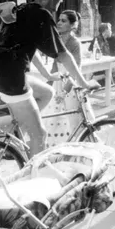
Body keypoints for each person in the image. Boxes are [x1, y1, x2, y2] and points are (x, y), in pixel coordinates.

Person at [0, 0, 98, 156]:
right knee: (40, 135)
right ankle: (32, 177)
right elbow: (64, 56)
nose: (62, 0)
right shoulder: (42, 16)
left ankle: (17, 130)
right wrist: (84, 83)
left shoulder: (24, 9)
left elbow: (32, 50)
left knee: (47, 92)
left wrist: (47, 75)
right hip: (11, 81)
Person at [45, 10, 84, 146]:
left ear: (73, 25)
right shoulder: (57, 40)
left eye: (64, 21)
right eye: (59, 20)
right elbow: (55, 67)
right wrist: (49, 84)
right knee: (53, 121)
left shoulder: (75, 43)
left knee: (72, 122)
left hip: (70, 86)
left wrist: (65, 91)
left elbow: (75, 70)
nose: (59, 23)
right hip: (58, 83)